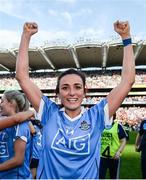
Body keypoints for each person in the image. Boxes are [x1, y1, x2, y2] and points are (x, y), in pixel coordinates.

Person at [15, 20, 135, 179]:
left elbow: (127, 81)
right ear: (58, 93)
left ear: (85, 91)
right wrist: (26, 37)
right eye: (65, 88)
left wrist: (126, 38)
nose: (72, 92)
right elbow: (22, 77)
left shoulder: (97, 116)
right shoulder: (49, 113)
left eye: (77, 87)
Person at [0, 90, 33, 179]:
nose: (0, 104)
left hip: (16, 177)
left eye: (2, 101)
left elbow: (18, 160)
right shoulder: (5, 122)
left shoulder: (20, 126)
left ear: (11, 103)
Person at [99, 115, 127, 179]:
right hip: (101, 157)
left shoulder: (118, 126)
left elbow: (123, 140)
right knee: (100, 177)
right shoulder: (100, 126)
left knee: (114, 177)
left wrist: (119, 152)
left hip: (114, 157)